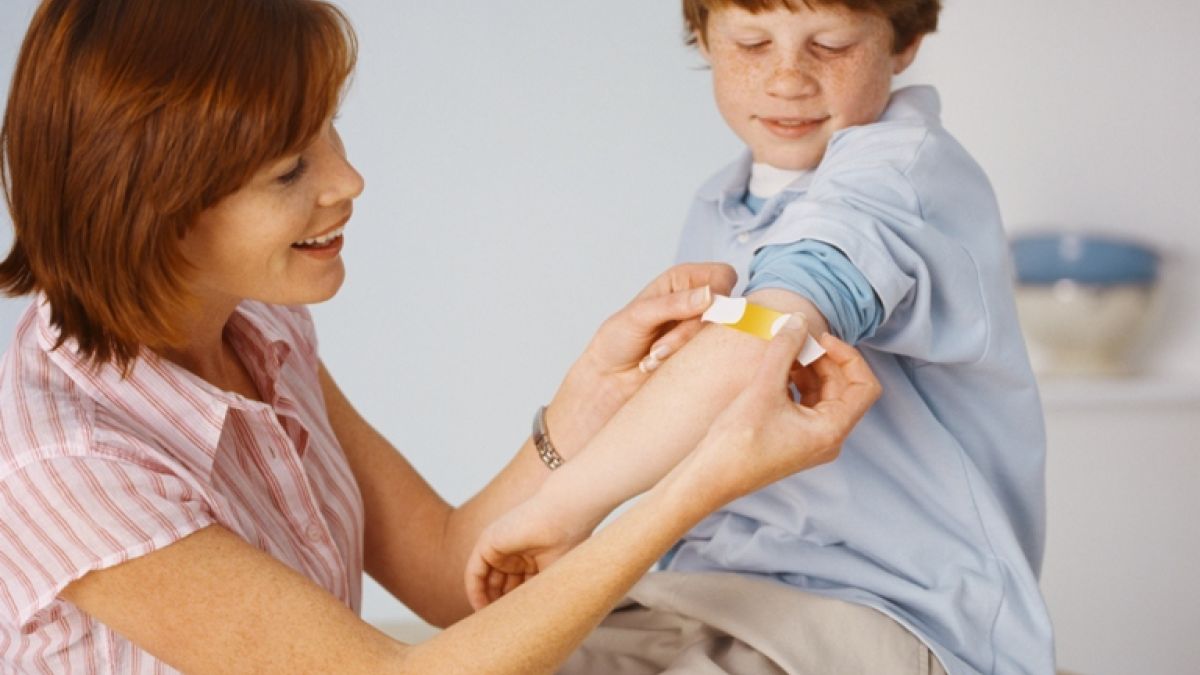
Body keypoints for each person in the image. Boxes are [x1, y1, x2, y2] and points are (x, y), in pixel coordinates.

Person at [0, 0, 882, 672]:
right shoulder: (65, 464)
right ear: (154, 206)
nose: (348, 179)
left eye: (328, 131)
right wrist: (694, 486)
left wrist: (588, 399)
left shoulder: (257, 325)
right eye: (289, 170)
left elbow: (447, 570)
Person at [466, 1, 1055, 673]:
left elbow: (764, 336)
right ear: (704, 40)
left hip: (886, 609)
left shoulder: (900, 172)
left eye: (829, 45)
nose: (787, 78)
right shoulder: (719, 202)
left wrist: (566, 507)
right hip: (708, 593)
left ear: (906, 41)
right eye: (751, 43)